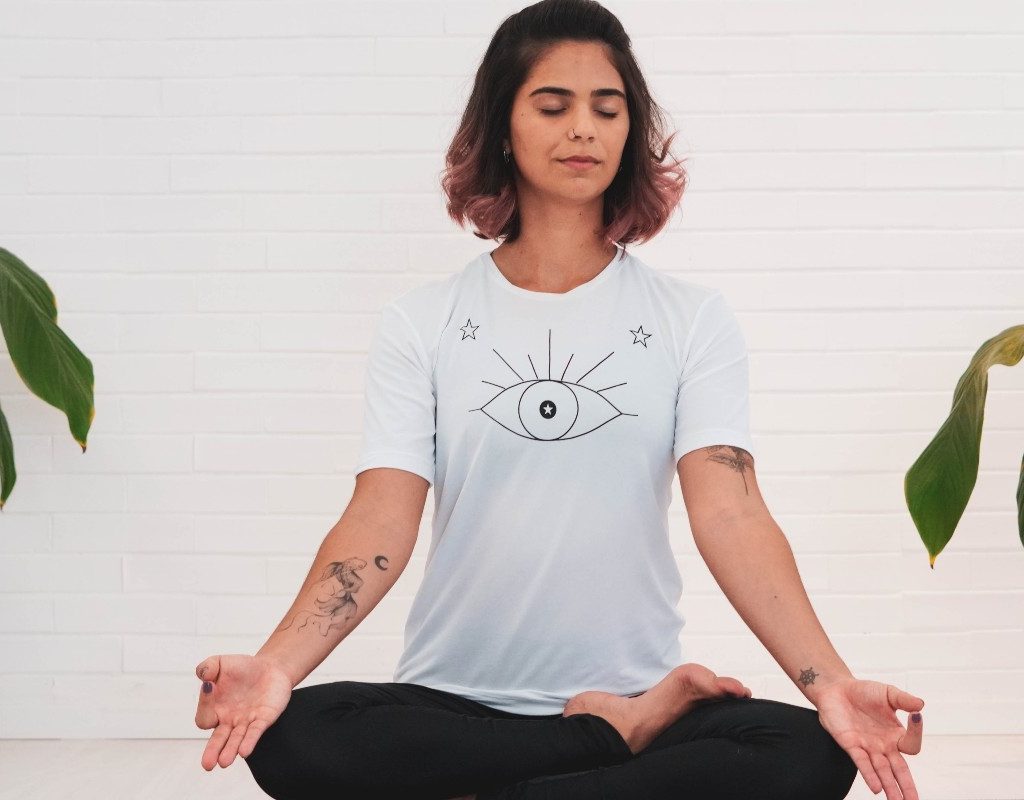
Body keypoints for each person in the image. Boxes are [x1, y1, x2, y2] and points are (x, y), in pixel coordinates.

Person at [192, 1, 926, 798]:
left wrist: (831, 686)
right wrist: (275, 666)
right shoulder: (423, 322)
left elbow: (731, 514)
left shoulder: (691, 320)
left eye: (607, 110)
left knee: (804, 751)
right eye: (554, 106)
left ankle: (598, 736)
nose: (584, 128)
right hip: (454, 704)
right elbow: (380, 517)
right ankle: (609, 741)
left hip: (640, 684)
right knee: (296, 736)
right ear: (504, 127)